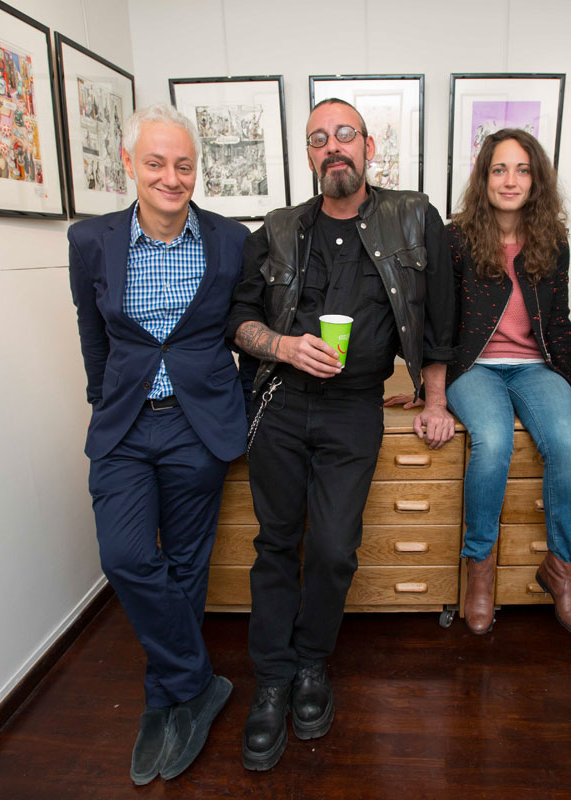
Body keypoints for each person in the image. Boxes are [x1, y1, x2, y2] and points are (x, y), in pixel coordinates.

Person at [227, 98, 455, 771]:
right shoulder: (276, 229)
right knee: (276, 544)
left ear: (369, 147)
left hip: (355, 407)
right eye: (319, 138)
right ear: (309, 154)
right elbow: (238, 319)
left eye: (345, 134)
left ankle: (311, 662)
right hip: (281, 401)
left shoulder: (413, 216)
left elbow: (438, 319)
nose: (334, 147)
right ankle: (272, 680)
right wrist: (283, 347)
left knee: (331, 548)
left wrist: (435, 398)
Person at [67, 103, 248, 785]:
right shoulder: (92, 240)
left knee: (187, 566)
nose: (172, 178)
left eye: (184, 165)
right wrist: (102, 399)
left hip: (198, 423)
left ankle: (164, 697)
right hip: (125, 422)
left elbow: (244, 325)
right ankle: (197, 683)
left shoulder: (231, 240)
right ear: (128, 164)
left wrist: (237, 403)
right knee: (126, 556)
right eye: (156, 163)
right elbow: (92, 332)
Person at [390, 128, 571, 637]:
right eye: (499, 169)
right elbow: (435, 318)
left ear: (536, 179)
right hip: (473, 366)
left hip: (536, 366)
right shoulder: (456, 238)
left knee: (567, 444)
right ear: (484, 178)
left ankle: (562, 567)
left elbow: (559, 322)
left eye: (522, 170)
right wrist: (428, 392)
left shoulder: (553, 241)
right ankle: (479, 568)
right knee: (494, 442)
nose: (510, 180)